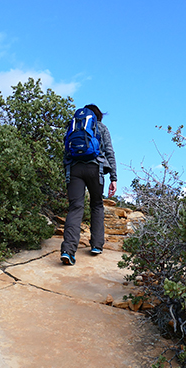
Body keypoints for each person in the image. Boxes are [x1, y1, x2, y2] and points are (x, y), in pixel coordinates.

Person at [60, 104, 117, 265]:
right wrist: (113, 178)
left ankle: (68, 251)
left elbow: (66, 149)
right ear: (98, 115)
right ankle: (97, 245)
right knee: (97, 205)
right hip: (95, 169)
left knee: (75, 207)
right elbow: (110, 152)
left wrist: (68, 171)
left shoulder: (73, 125)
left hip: (75, 169)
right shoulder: (101, 127)